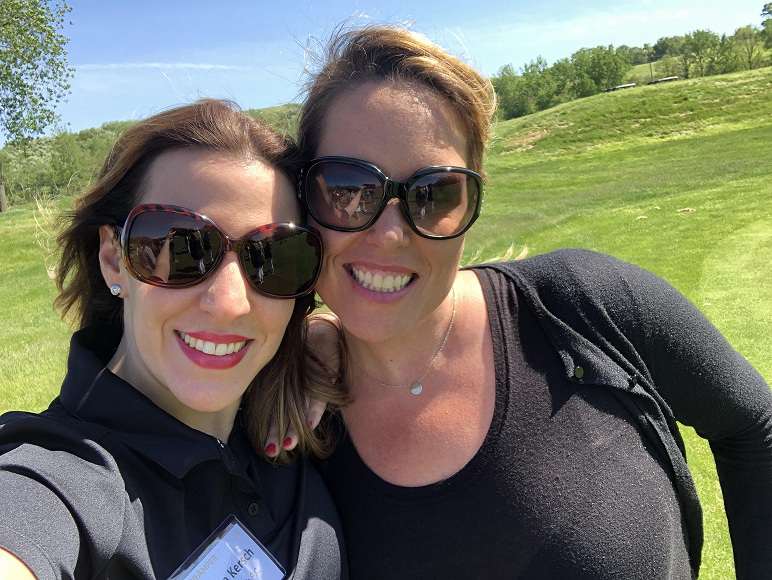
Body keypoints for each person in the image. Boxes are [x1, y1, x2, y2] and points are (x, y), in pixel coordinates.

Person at [291, 26, 772, 579]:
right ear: (303, 197)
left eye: (435, 193)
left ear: (472, 202)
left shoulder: (581, 304)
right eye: (348, 189)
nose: (391, 233)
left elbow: (754, 427)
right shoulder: (280, 408)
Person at [0, 100, 347, 579]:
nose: (230, 303)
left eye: (273, 257)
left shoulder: (298, 414)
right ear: (113, 260)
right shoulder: (60, 479)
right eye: (183, 248)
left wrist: (334, 330)